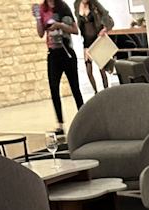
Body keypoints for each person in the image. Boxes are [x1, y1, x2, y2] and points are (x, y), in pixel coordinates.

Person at [36, 0, 84, 132]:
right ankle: (60, 123)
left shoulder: (63, 7)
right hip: (53, 53)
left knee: (75, 86)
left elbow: (75, 30)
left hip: (66, 51)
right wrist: (38, 18)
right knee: (54, 88)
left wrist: (59, 25)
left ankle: (84, 117)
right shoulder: (42, 8)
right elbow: (40, 33)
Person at [76, 0, 114, 94]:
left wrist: (104, 29)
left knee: (102, 68)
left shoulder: (94, 5)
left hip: (97, 40)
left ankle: (106, 91)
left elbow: (106, 16)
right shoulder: (77, 5)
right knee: (89, 69)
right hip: (86, 41)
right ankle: (96, 92)